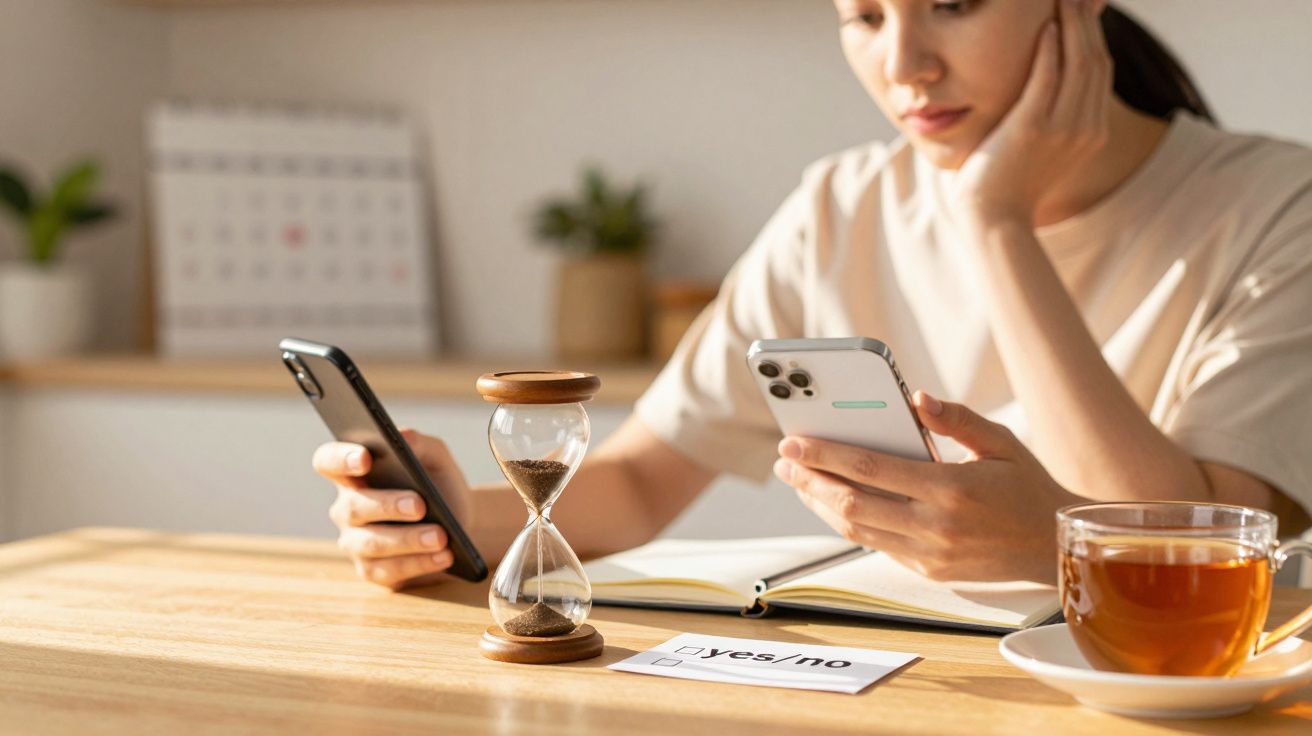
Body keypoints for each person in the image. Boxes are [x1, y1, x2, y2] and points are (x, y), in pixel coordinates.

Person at [315, 0, 1312, 590]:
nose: (903, 64)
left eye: (954, 1)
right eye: (865, 14)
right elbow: (640, 480)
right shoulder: (839, 205)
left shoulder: (1279, 208)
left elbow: (1196, 560)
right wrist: (450, 518)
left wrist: (994, 224)